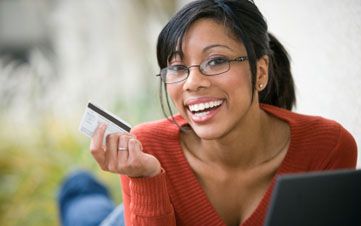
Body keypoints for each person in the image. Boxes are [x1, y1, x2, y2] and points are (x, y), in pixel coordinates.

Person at [89, 0, 358, 225]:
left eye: (216, 61)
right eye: (177, 67)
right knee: (87, 211)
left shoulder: (328, 147)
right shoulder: (148, 148)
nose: (192, 83)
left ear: (260, 71)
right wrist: (145, 178)